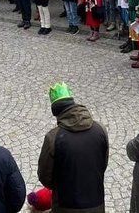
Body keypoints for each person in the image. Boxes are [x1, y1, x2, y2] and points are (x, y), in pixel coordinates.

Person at [38, 83, 108, 213]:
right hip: (96, 205)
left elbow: (45, 176)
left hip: (65, 206)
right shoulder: (100, 130)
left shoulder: (53, 137)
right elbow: (103, 164)